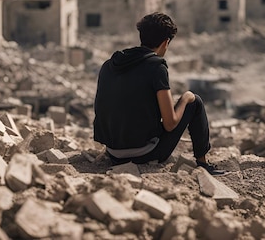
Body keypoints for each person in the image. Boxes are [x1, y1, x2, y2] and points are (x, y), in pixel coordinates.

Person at [93, 12, 225, 175]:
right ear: (166, 42)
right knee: (194, 101)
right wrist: (185, 98)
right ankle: (203, 163)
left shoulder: (110, 64)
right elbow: (170, 123)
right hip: (143, 154)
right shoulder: (156, 67)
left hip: (113, 152)